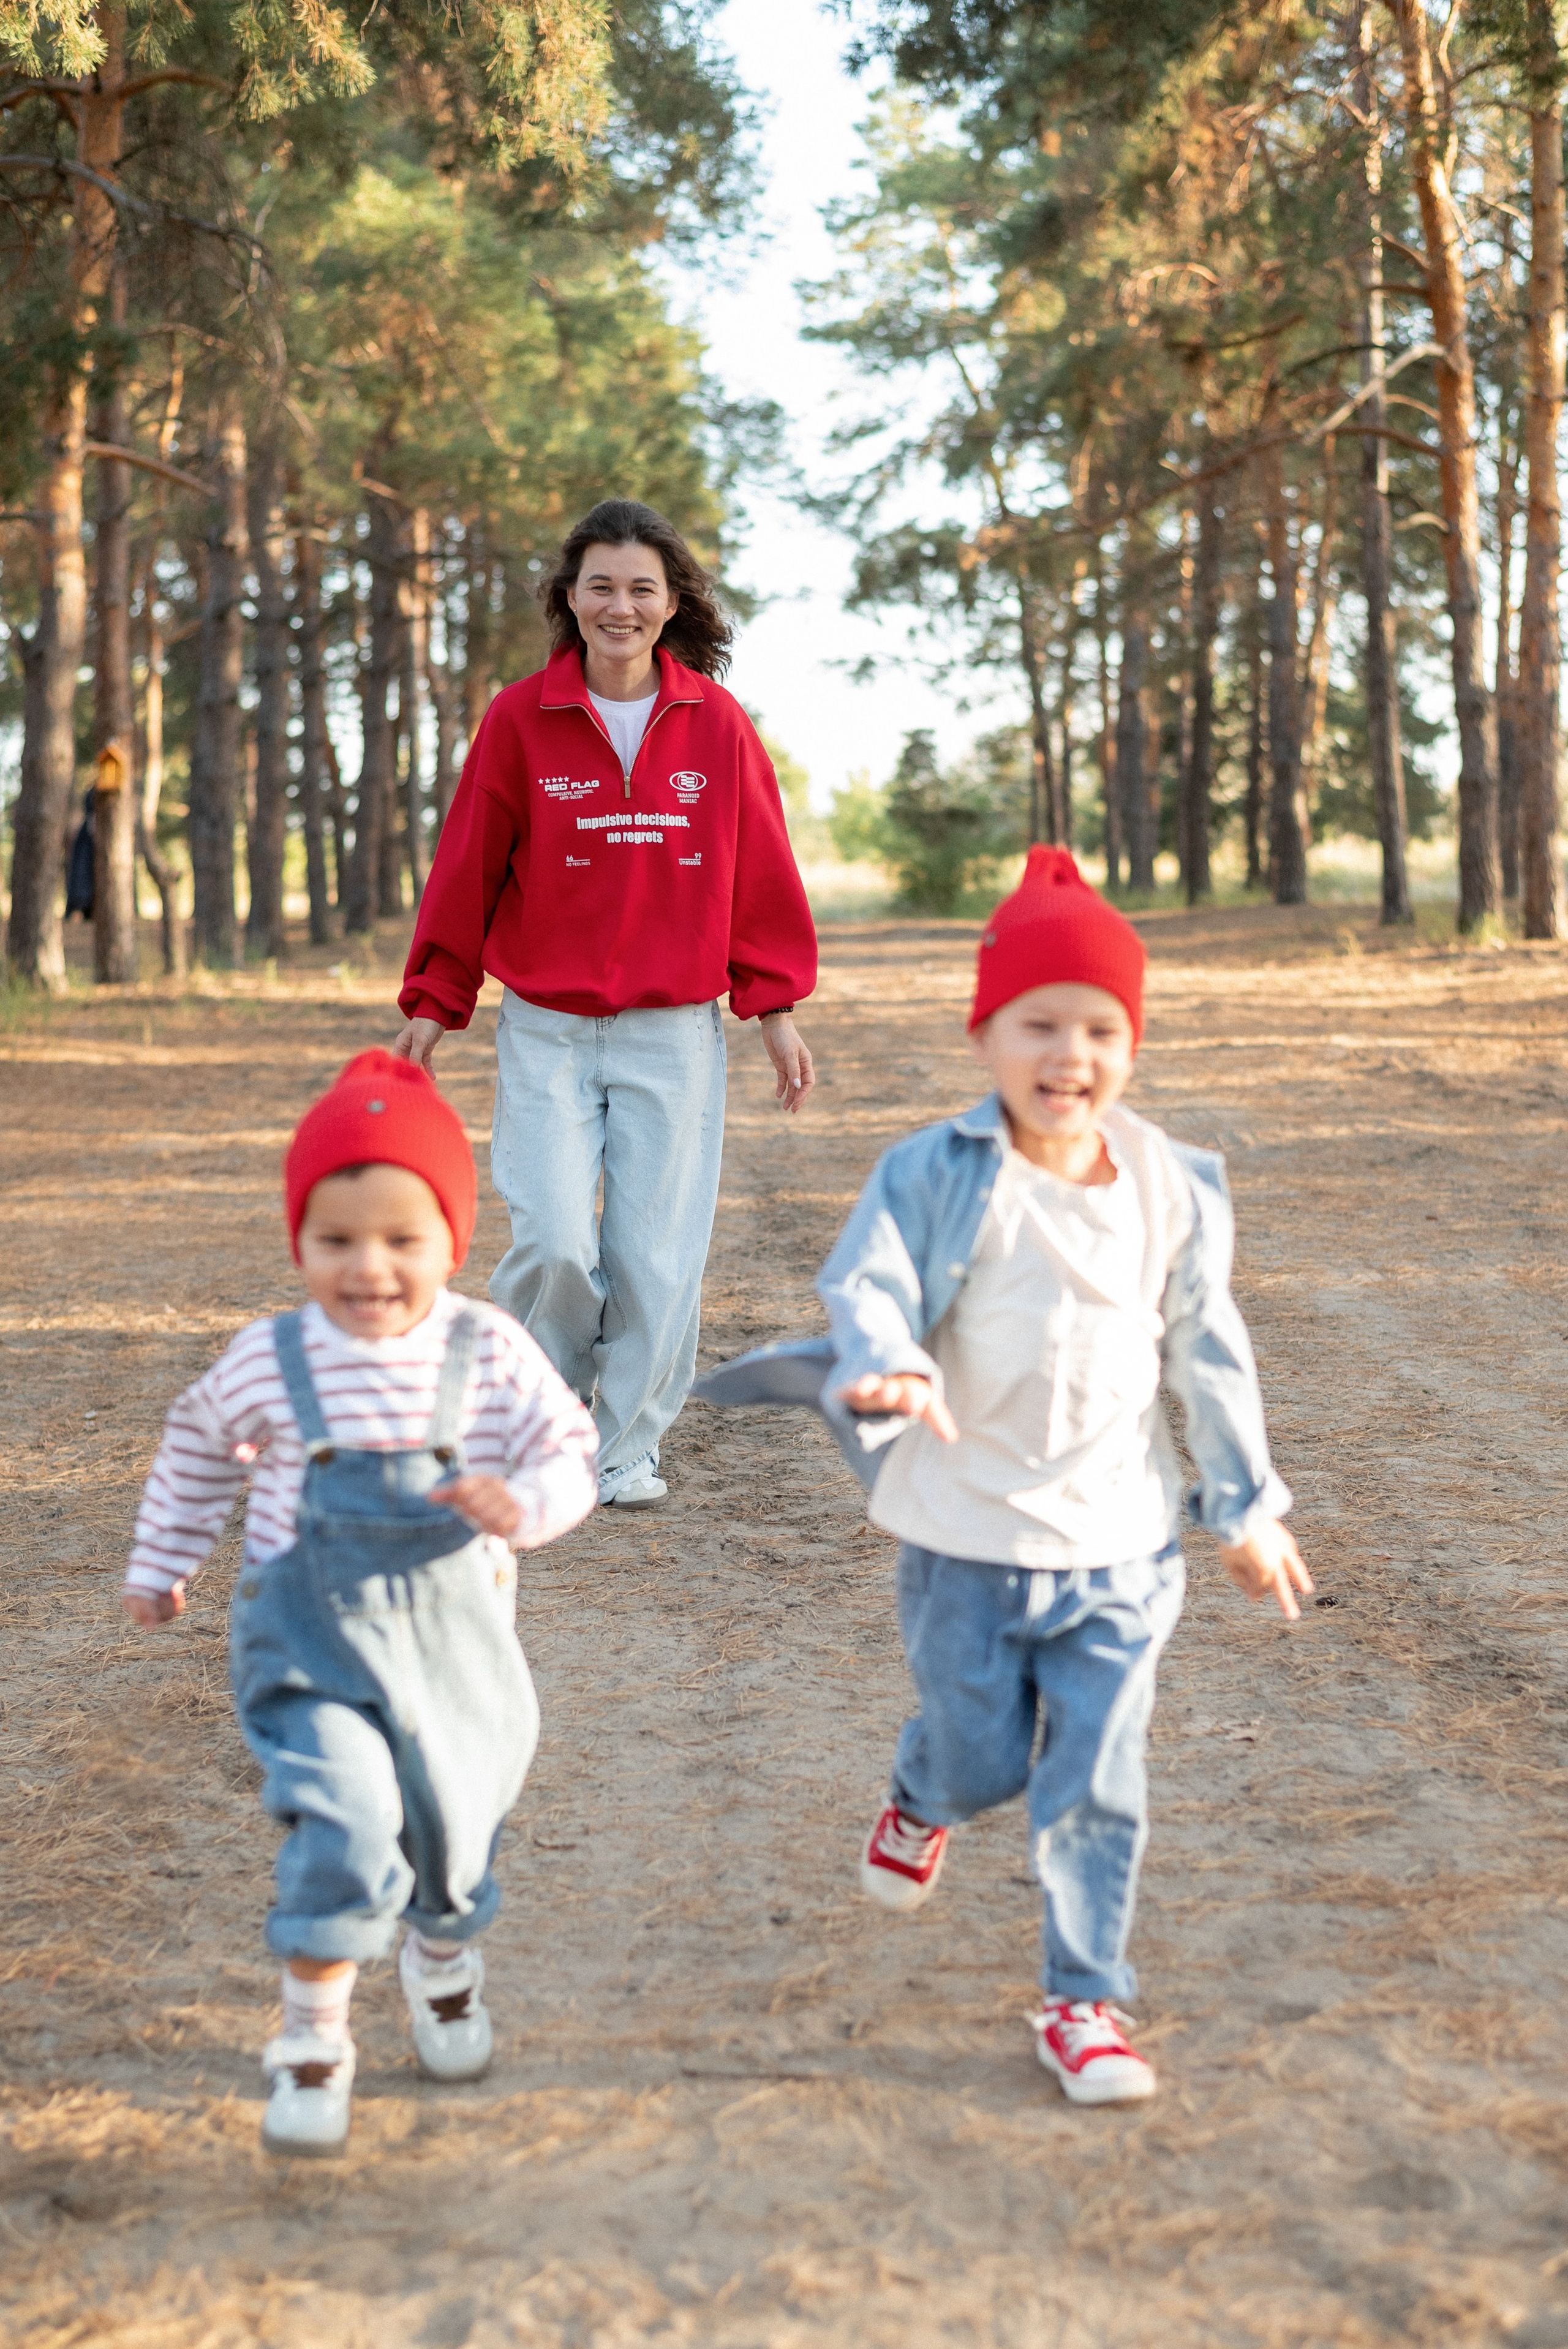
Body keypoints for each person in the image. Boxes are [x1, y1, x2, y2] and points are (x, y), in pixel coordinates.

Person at [693, 848, 1310, 2106]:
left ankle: (1083, 2001)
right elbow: (863, 1281)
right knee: (983, 1759)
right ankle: (921, 1793)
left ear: (1128, 1044)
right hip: (966, 1541)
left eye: (1097, 1027)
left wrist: (1243, 1506)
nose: (1066, 1054)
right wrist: (882, 1361)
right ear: (986, 1035)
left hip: (1122, 1549)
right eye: (1037, 1024)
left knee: (1095, 1778)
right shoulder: (935, 1171)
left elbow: (1206, 1351)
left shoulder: (1170, 1186)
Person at [121, 1050, 598, 2156]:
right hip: (312, 1649)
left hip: (455, 1653)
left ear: (453, 1241)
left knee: (450, 1830)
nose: (370, 1268)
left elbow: (569, 1448)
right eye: (336, 1241)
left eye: (402, 1240)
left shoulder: (486, 1348)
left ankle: (440, 1955)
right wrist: (163, 1562)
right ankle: (313, 2042)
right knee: (344, 1820)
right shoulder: (268, 1358)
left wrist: (524, 1502)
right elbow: (197, 1449)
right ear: (299, 1240)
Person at [394, 498, 818, 1514]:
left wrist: (775, 1008)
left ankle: (623, 1443)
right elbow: (468, 866)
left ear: (672, 604)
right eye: (601, 586)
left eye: (641, 588)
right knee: (550, 1236)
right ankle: (548, 1413)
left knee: (655, 1255)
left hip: (674, 1032)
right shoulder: (518, 718)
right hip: (545, 1025)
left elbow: (758, 869)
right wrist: (438, 993)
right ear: (570, 599)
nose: (620, 605)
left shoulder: (714, 725)